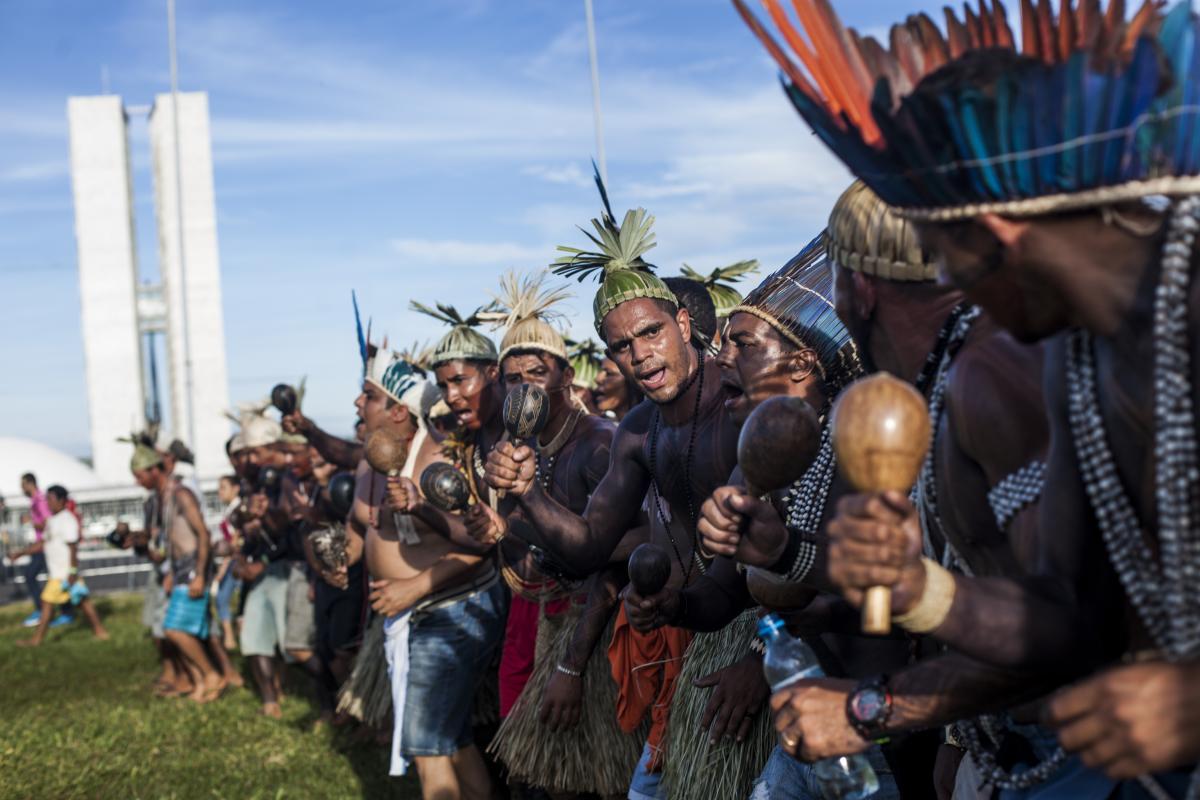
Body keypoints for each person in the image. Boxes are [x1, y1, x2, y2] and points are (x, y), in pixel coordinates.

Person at [735, 2, 1200, 795]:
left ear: (997, 230)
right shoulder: (1074, 359)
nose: (948, 281)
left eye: (948, 252)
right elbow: (1064, 617)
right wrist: (922, 591)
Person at [483, 205, 756, 800]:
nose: (641, 355)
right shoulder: (637, 430)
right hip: (700, 625)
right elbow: (587, 547)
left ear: (683, 323)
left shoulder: (744, 405)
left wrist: (763, 657)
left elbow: (802, 541)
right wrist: (526, 491)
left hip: (769, 640)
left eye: (651, 332)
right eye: (622, 345)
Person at [357, 320, 505, 799]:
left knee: (428, 747)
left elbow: (481, 543)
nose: (358, 406)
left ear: (400, 411)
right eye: (443, 385)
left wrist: (414, 587)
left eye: (369, 397)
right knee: (452, 740)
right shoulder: (384, 459)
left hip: (450, 607)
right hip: (424, 612)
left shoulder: (439, 459)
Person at [131, 443, 224, 703]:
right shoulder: (163, 497)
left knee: (174, 630)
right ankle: (199, 682)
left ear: (153, 470)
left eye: (139, 476)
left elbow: (203, 534)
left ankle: (212, 674)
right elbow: (171, 542)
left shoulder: (181, 493)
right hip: (179, 569)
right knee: (179, 630)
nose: (138, 483)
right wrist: (171, 570)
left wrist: (200, 574)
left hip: (193, 567)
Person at [16, 485, 108, 647]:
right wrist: (21, 553)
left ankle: (36, 640)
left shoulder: (68, 520)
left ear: (62, 500)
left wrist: (72, 572)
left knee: (47, 603)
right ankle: (100, 632)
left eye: (51, 499)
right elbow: (42, 543)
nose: (48, 503)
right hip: (58, 573)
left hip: (64, 574)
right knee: (83, 602)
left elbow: (73, 547)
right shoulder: (52, 521)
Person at [19, 473, 53, 627]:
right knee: (52, 579)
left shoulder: (39, 501)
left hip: (45, 545)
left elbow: (47, 523)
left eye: (23, 485)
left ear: (30, 484)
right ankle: (50, 610)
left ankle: (42, 610)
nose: (21, 488)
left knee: (30, 574)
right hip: (41, 544)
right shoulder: (35, 501)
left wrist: (29, 521)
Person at [214, 474, 242, 652]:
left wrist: (223, 567)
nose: (219, 492)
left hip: (238, 561)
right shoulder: (229, 510)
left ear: (236, 488)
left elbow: (235, 540)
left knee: (231, 598)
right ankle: (231, 637)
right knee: (222, 598)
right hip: (232, 561)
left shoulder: (238, 510)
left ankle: (235, 637)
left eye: (223, 487)